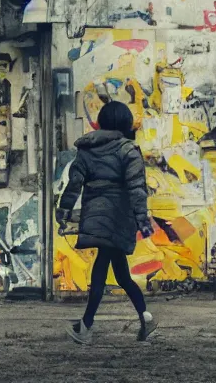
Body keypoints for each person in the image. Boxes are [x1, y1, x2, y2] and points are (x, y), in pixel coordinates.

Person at [57, 101, 158, 345]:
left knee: (106, 267)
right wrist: (142, 220)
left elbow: (74, 184)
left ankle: (87, 325)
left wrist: (64, 209)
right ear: (125, 123)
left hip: (97, 215)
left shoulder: (86, 150)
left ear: (100, 121)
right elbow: (136, 188)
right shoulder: (128, 150)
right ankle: (144, 318)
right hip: (120, 217)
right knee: (118, 272)